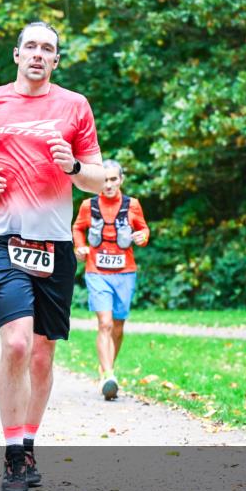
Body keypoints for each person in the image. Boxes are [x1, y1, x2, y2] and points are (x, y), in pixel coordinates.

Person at [0, 21, 107, 491]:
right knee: (15, 343)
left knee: (41, 353)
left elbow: (97, 179)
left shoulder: (75, 106)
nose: (38, 54)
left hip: (54, 243)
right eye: (30, 46)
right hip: (2, 237)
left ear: (56, 59)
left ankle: (29, 443)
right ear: (16, 54)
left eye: (47, 48)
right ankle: (13, 455)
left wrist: (72, 166)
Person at [71, 160, 149, 401]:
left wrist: (142, 237)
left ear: (121, 180)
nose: (108, 184)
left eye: (113, 179)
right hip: (97, 272)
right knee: (104, 324)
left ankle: (107, 372)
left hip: (125, 273)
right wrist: (80, 247)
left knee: (117, 326)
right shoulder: (88, 205)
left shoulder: (132, 205)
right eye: (104, 180)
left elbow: (144, 230)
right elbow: (78, 228)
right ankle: (108, 375)